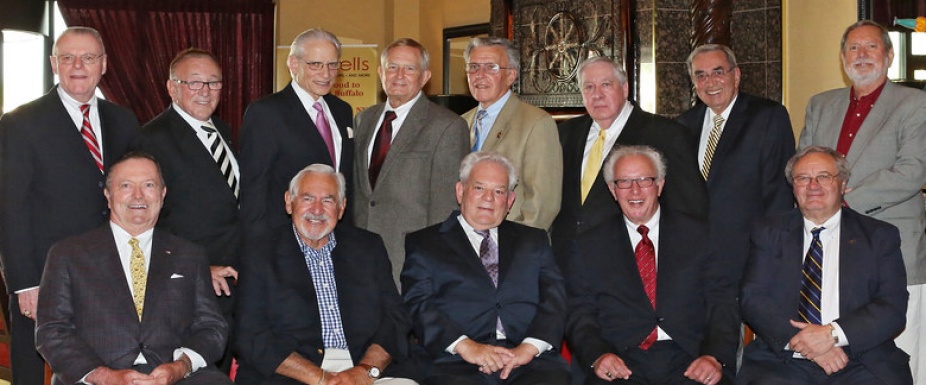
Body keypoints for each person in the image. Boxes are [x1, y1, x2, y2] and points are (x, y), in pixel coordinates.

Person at [0, 26, 139, 384]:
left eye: (89, 57)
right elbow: (10, 208)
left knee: (100, 365)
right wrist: (24, 283)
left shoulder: (123, 120)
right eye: (68, 58)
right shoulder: (20, 123)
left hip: (110, 271)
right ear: (53, 64)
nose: (78, 65)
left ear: (104, 64)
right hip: (44, 275)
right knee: (34, 369)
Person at [798, 20, 926, 382]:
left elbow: (913, 171)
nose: (862, 55)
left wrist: (839, 199)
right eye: (854, 48)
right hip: (828, 250)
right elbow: (803, 167)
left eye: (871, 47)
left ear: (889, 55)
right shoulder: (821, 104)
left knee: (903, 355)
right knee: (839, 351)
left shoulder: (916, 104)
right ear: (842, 58)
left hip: (894, 245)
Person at [35, 152, 232, 385]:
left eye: (149, 185)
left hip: (176, 376)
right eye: (126, 185)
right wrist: (105, 376)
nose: (138, 195)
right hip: (98, 376)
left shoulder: (190, 254)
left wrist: (180, 367)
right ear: (108, 195)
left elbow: (212, 328)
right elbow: (52, 331)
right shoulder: (68, 254)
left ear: (163, 193)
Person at [564, 145, 737, 385]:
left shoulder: (700, 235)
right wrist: (598, 355)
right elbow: (579, 311)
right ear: (613, 190)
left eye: (645, 180)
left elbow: (722, 302)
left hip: (690, 356)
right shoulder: (588, 244)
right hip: (619, 358)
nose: (635, 190)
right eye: (624, 181)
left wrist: (714, 356)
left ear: (660, 185)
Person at [738, 146, 911, 384]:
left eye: (824, 177)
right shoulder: (768, 232)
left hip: (859, 358)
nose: (813, 185)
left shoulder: (879, 236)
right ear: (793, 188)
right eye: (803, 178)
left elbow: (892, 308)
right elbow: (752, 299)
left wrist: (832, 335)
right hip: (784, 359)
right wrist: (808, 343)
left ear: (842, 185)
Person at [234, 164, 415, 385]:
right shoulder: (259, 253)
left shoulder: (368, 247)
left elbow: (395, 318)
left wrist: (366, 370)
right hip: (292, 374)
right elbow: (250, 334)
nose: (317, 210)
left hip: (363, 370)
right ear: (289, 202)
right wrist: (321, 379)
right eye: (307, 199)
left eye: (328, 200)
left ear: (341, 208)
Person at [402, 152, 569, 385]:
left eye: (499, 191)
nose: (489, 198)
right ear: (460, 192)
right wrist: (466, 346)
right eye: (479, 188)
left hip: (530, 361)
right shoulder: (425, 242)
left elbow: (555, 299)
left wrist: (529, 348)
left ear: (510, 200)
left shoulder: (534, 240)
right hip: (455, 362)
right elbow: (418, 303)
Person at [135, 48, 241, 372]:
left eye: (213, 83)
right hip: (189, 285)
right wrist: (197, 268)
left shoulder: (223, 131)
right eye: (194, 83)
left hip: (233, 280)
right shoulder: (150, 140)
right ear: (172, 88)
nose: (205, 91)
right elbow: (142, 220)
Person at [552, 57, 706, 271]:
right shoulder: (565, 133)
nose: (597, 94)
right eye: (589, 87)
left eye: (606, 85)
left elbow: (688, 207)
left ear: (624, 89)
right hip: (567, 264)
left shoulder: (666, 135)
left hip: (630, 266)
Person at [676, 43, 795, 312]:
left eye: (718, 72)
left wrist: (771, 258)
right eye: (701, 75)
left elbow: (779, 195)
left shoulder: (768, 117)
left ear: (736, 75)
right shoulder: (683, 125)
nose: (710, 82)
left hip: (747, 258)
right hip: (694, 263)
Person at [352, 38, 469, 286]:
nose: (399, 75)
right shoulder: (363, 119)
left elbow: (445, 209)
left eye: (409, 68)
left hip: (410, 263)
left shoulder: (447, 126)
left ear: (425, 77)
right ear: (380, 72)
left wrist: (432, 269)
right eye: (392, 67)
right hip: (359, 258)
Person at [239, 28, 355, 241]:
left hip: (336, 240)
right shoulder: (266, 113)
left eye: (332, 65)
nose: (326, 74)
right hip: (284, 241)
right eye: (315, 65)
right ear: (293, 64)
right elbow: (254, 188)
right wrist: (257, 249)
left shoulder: (343, 111)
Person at [461, 37, 562, 230]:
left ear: (511, 76)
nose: (480, 75)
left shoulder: (536, 123)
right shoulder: (460, 122)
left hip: (511, 245)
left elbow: (542, 205)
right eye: (473, 67)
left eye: (491, 67)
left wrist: (515, 249)